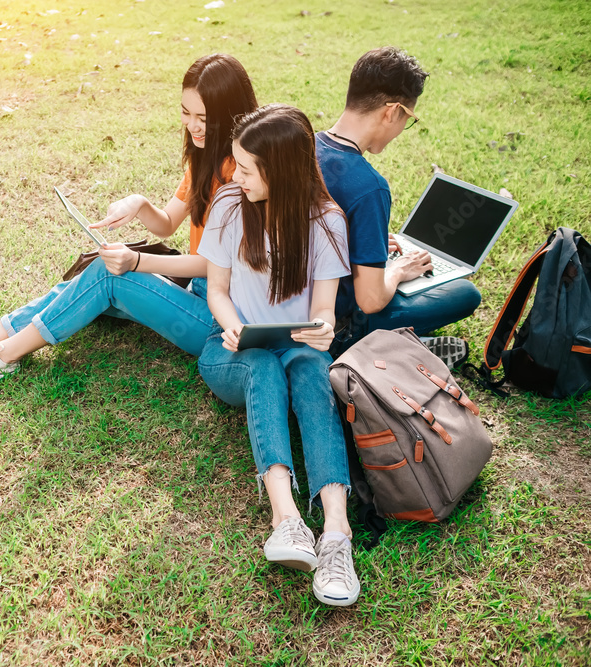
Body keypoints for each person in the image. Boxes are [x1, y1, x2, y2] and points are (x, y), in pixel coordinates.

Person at [0, 54, 259, 383]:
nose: (194, 126)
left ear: (231, 115)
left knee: (108, 275)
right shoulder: (206, 157)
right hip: (196, 295)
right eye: (186, 113)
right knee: (77, 285)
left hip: (219, 321)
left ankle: (2, 355)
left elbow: (215, 267)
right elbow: (167, 223)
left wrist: (136, 261)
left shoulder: (244, 175)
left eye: (204, 118)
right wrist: (138, 204)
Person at [197, 105, 359, 606]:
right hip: (231, 350)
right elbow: (216, 290)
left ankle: (336, 534)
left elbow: (324, 310)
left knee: (311, 371)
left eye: (247, 168)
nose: (236, 175)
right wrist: (234, 327)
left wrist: (323, 330)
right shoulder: (228, 205)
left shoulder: (326, 222)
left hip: (296, 347)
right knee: (264, 365)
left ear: (282, 170)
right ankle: (285, 518)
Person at [316, 47, 481, 366]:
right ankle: (391, 350)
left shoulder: (302, 144)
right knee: (465, 294)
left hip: (287, 305)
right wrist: (397, 270)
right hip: (337, 325)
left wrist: (367, 242)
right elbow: (371, 299)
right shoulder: (368, 186)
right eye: (408, 119)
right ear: (392, 111)